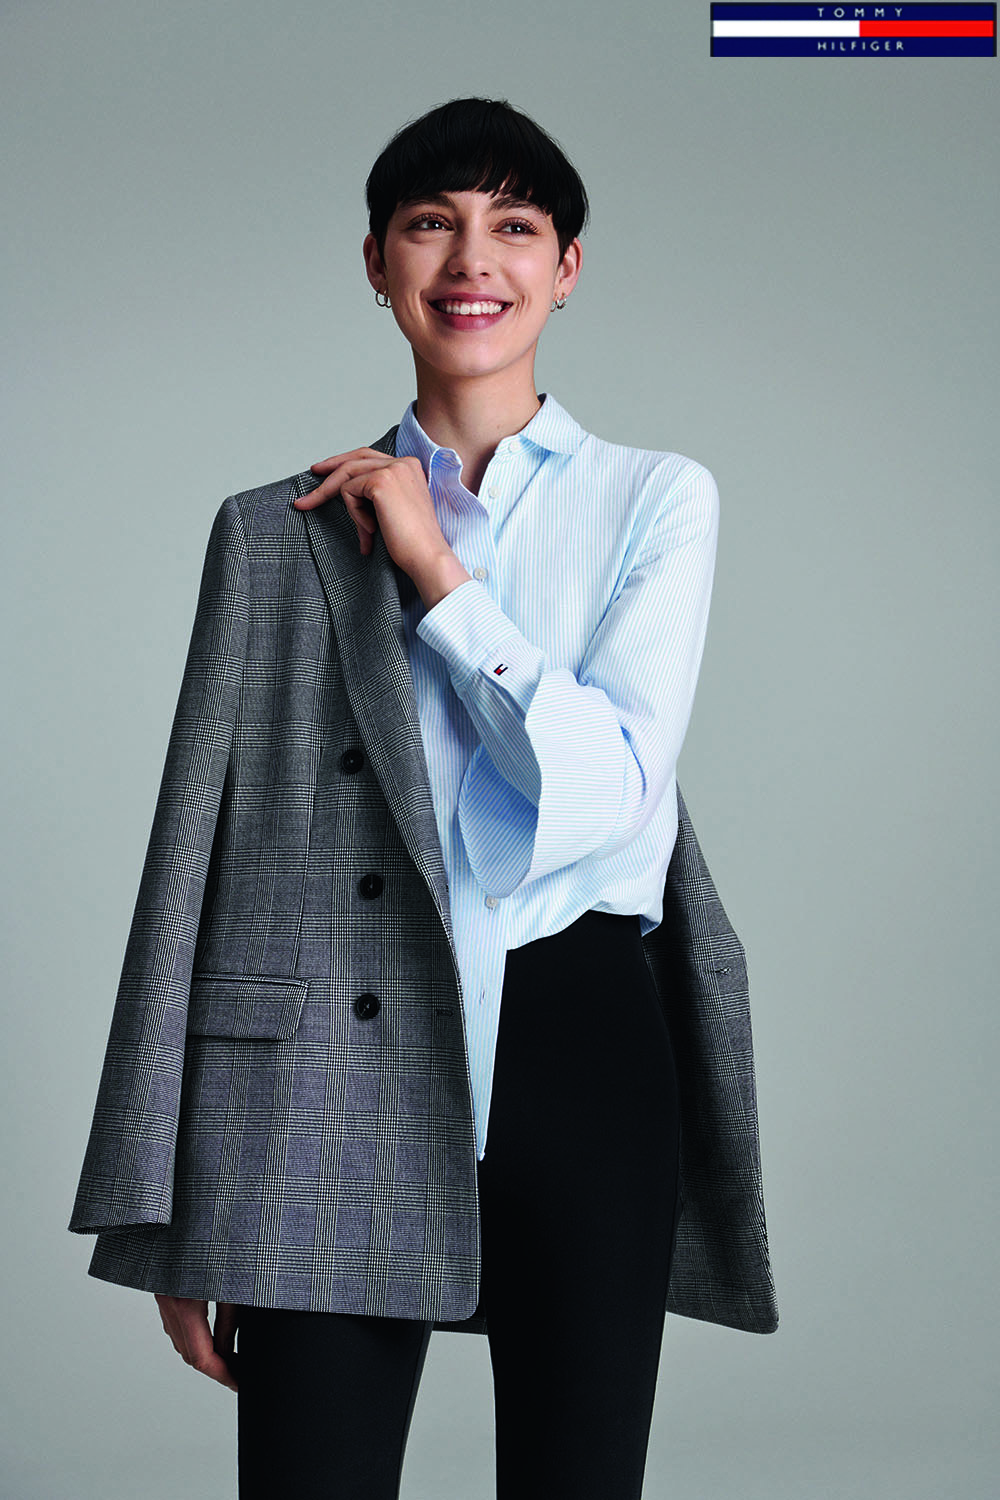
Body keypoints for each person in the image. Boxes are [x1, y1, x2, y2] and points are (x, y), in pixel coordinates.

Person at [70, 97, 777, 1499]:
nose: (472, 260)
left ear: (567, 268)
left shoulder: (655, 501)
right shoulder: (273, 534)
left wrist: (438, 576)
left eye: (514, 226)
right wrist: (166, 1205)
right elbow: (190, 862)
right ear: (377, 263)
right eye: (429, 224)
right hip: (321, 1072)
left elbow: (609, 793)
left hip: (583, 1044)